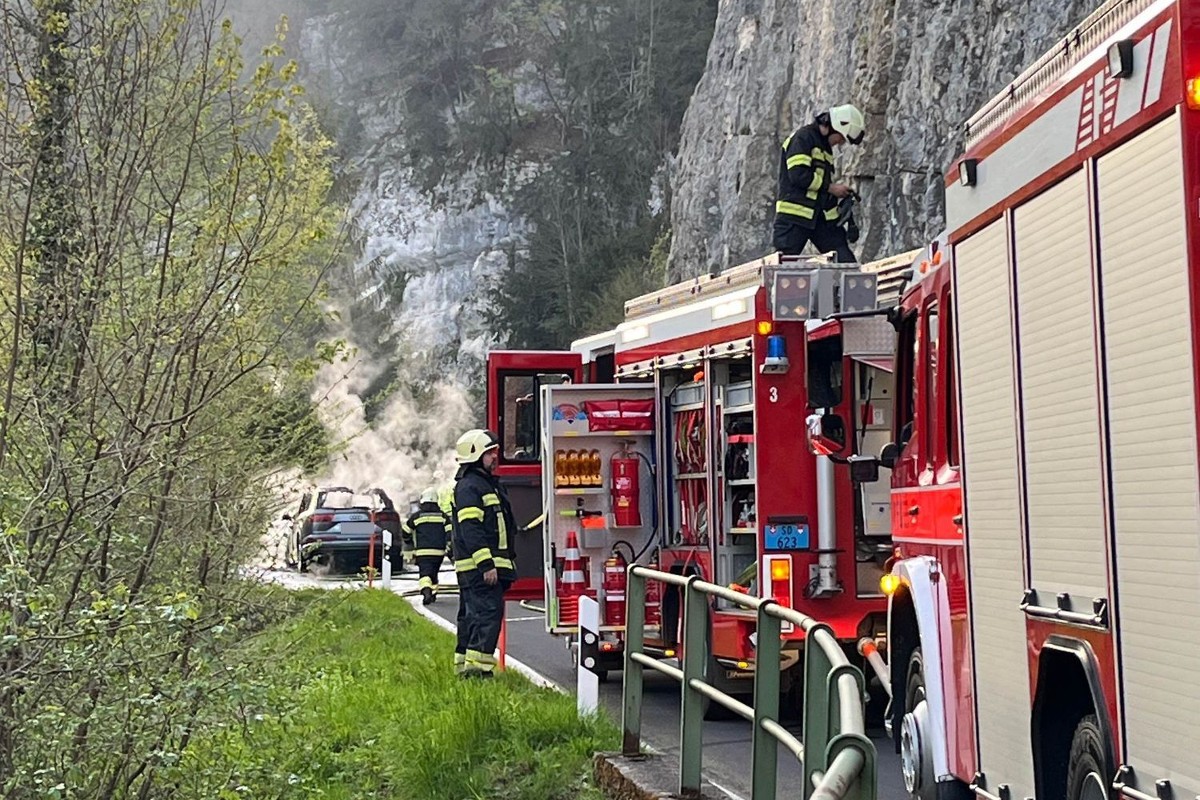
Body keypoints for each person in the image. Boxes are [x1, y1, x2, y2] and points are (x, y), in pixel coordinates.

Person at [450, 429, 517, 678]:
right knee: (486, 617)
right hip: (480, 570)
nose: (495, 457)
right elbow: (471, 530)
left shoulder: (481, 485)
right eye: (490, 453)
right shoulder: (471, 487)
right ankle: (478, 675)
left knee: (471, 619)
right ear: (475, 456)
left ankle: (464, 670)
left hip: (477, 569)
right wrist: (486, 564)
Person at [773, 104, 866, 263]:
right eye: (841, 137)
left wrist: (837, 198)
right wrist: (831, 188)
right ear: (835, 127)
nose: (840, 143)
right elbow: (798, 175)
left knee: (845, 263)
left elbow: (818, 183)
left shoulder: (824, 147)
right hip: (794, 217)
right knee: (784, 271)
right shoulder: (803, 138)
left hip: (820, 218)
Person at [405, 487, 451, 605]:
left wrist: (409, 543)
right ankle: (433, 593)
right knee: (433, 573)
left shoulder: (417, 517)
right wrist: (449, 547)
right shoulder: (443, 516)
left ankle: (426, 592)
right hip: (439, 552)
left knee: (425, 574)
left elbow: (405, 531)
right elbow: (450, 533)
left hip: (423, 552)